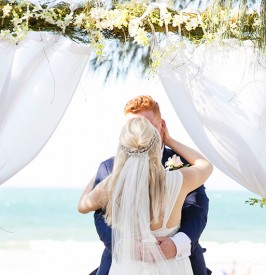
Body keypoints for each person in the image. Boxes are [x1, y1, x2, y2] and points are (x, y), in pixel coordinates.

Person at [78, 95, 212, 275]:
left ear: (161, 126)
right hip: (125, 256)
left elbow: (197, 208)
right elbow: (100, 216)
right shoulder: (180, 177)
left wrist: (177, 244)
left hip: (177, 254)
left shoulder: (181, 162)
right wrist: (121, 244)